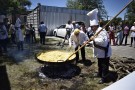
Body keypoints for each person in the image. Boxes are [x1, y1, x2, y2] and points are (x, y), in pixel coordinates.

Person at [87, 8, 112, 84]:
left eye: (92, 27)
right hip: (99, 52)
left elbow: (102, 41)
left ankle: (104, 78)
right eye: (91, 27)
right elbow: (96, 42)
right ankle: (99, 74)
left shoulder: (102, 31)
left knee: (104, 66)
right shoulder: (96, 31)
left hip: (104, 52)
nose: (92, 28)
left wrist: (94, 39)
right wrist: (90, 42)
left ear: (96, 25)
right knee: (99, 64)